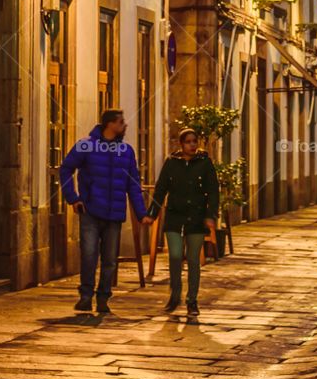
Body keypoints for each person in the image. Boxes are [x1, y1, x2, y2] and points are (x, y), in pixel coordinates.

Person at [59, 109, 148, 315]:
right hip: (91, 209)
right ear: (110, 124)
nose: (124, 125)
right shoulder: (86, 145)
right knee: (89, 255)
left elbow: (133, 184)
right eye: (121, 122)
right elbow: (66, 169)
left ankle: (103, 297)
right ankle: (86, 296)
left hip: (114, 212)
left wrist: (141, 212)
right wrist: (73, 198)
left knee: (109, 259)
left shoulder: (126, 151)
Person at [142, 128, 219, 317]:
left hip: (197, 217)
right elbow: (161, 190)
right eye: (188, 142)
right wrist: (152, 213)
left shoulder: (205, 163)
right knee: (175, 256)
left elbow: (213, 191)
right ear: (181, 144)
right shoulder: (172, 163)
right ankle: (175, 294)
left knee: (193, 260)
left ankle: (192, 300)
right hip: (175, 216)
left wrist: (210, 215)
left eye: (195, 141)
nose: (192, 145)